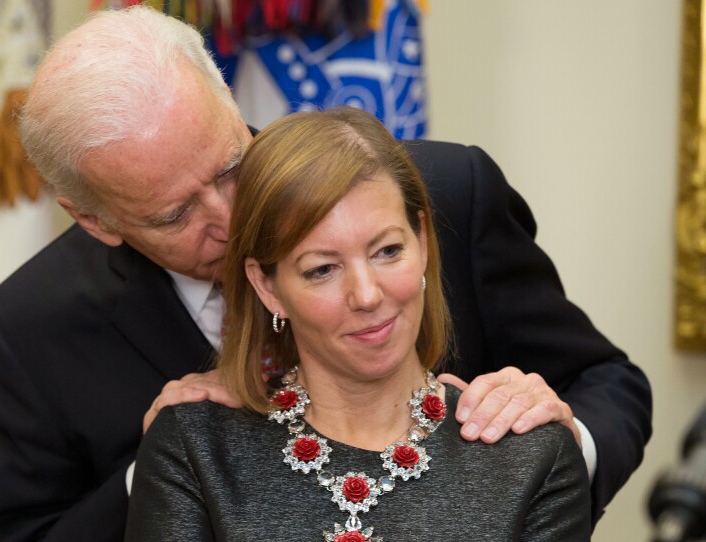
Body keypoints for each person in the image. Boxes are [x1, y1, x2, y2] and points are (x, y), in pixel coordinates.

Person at [0, 6, 649, 541]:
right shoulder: (32, 324)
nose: (232, 219)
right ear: (96, 221)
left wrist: (549, 454)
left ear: (229, 102)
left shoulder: (445, 193)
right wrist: (154, 476)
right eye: (176, 214)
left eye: (231, 167)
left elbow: (608, 383)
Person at [125, 106, 592, 540]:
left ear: (423, 242)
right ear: (267, 287)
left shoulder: (533, 456)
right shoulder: (194, 449)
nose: (367, 295)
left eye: (388, 251)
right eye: (322, 269)